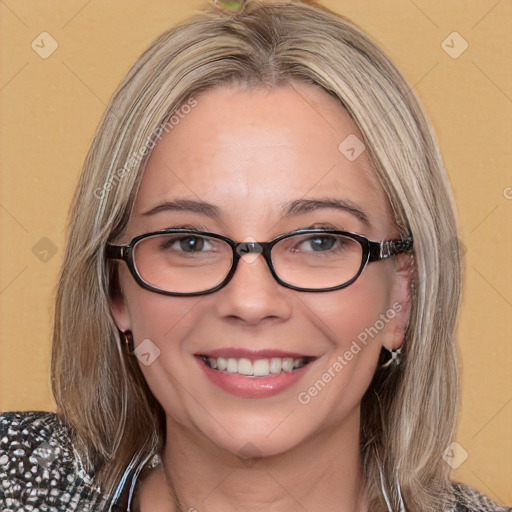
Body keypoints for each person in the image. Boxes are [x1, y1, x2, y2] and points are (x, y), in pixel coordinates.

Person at [1, 1, 510, 511]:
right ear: (117, 289)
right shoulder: (19, 481)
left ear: (402, 296)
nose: (249, 301)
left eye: (319, 240)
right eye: (190, 241)